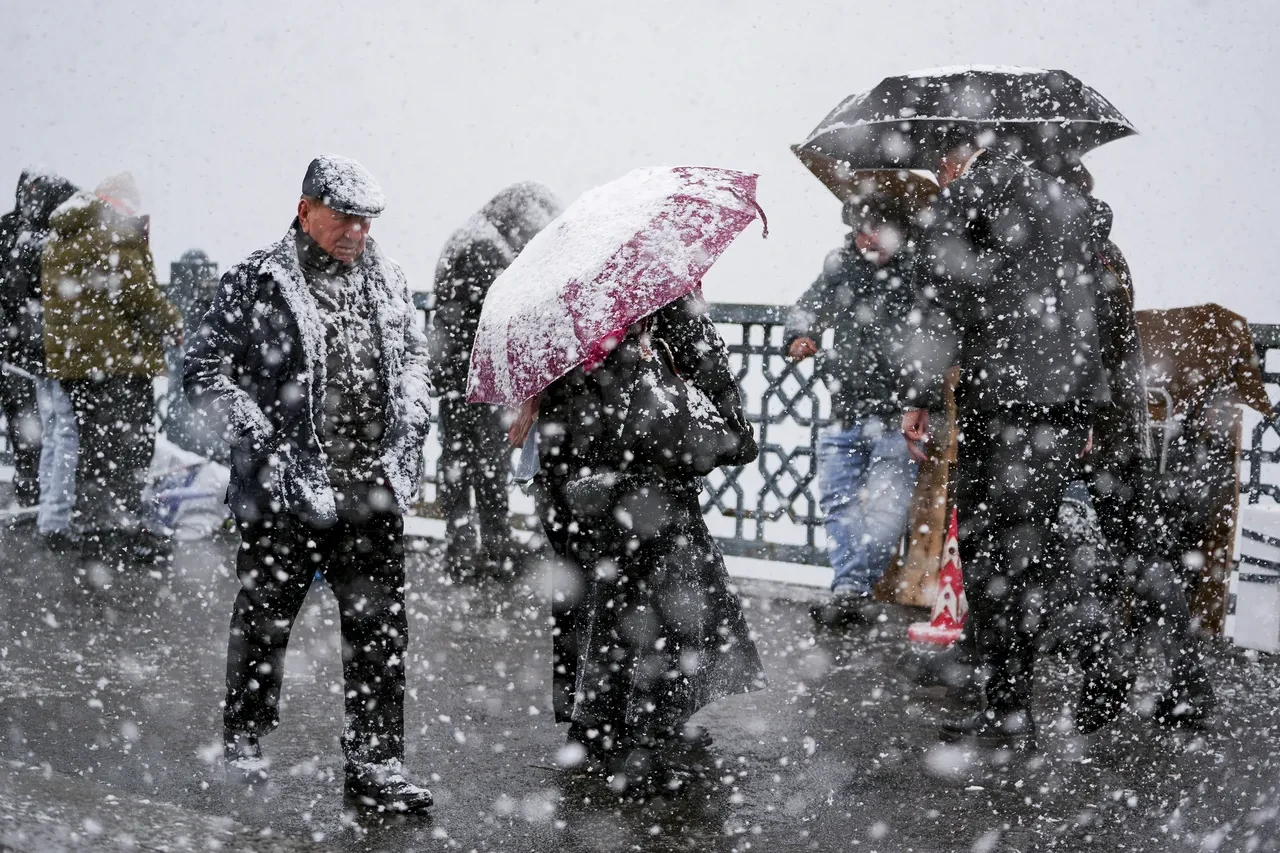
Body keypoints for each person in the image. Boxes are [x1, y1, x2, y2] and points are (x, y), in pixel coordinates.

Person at [184, 155, 434, 813]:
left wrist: (411, 407)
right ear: (305, 209)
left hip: (369, 489)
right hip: (283, 491)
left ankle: (376, 763)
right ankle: (245, 736)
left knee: (380, 631)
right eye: (345, 216)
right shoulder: (255, 281)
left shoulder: (388, 282)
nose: (358, 230)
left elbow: (415, 357)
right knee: (266, 618)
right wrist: (266, 440)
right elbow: (202, 371)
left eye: (368, 219)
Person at [900, 132, 1118, 749]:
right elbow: (1095, 309)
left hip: (1001, 402)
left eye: (943, 161)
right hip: (1065, 402)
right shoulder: (1076, 208)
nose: (939, 173)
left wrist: (918, 397)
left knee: (994, 553)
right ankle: (1096, 643)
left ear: (963, 152)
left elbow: (936, 302)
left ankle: (1009, 707)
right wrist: (1092, 402)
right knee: (1034, 543)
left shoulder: (971, 195)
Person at [527, 290, 763, 791]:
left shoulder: (575, 308)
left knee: (596, 602)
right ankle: (637, 736)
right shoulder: (658, 303)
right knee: (645, 609)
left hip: (582, 482)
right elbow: (709, 416)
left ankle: (600, 728)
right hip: (632, 492)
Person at [784, 171, 929, 625]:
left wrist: (918, 403)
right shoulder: (841, 264)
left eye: (877, 228)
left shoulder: (920, 271)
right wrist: (800, 335)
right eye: (859, 229)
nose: (866, 238)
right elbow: (807, 307)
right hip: (844, 410)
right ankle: (851, 591)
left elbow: (937, 340)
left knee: (886, 512)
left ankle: (851, 590)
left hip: (898, 416)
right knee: (836, 502)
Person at [42, 173, 181, 566]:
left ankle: (95, 532)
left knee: (95, 451)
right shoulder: (110, 233)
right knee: (128, 450)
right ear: (115, 201)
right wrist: (174, 324)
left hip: (77, 366)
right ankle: (119, 535)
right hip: (116, 364)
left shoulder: (64, 235)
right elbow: (140, 296)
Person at [430, 182, 562, 578]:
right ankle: (486, 549)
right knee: (481, 462)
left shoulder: (473, 237)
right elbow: (504, 309)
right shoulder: (485, 247)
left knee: (464, 460)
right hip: (476, 375)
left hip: (461, 374)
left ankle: (469, 547)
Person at [0, 169, 77, 514]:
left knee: (32, 426)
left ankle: (35, 493)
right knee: (51, 427)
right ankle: (46, 498)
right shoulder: (54, 233)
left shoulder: (11, 232)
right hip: (43, 349)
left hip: (21, 349)